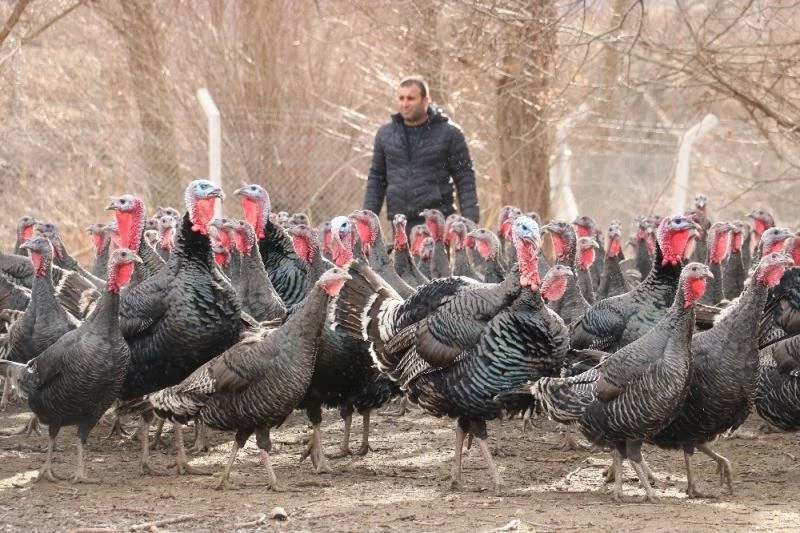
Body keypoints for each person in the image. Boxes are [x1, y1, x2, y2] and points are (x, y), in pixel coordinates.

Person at [363, 76, 480, 234]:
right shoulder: (386, 134)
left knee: (435, 259)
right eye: (401, 98)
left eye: (411, 98)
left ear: (426, 100)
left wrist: (470, 218)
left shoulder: (449, 133)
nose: (405, 104)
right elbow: (377, 178)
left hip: (436, 220)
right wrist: (368, 219)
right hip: (400, 221)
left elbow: (464, 176)